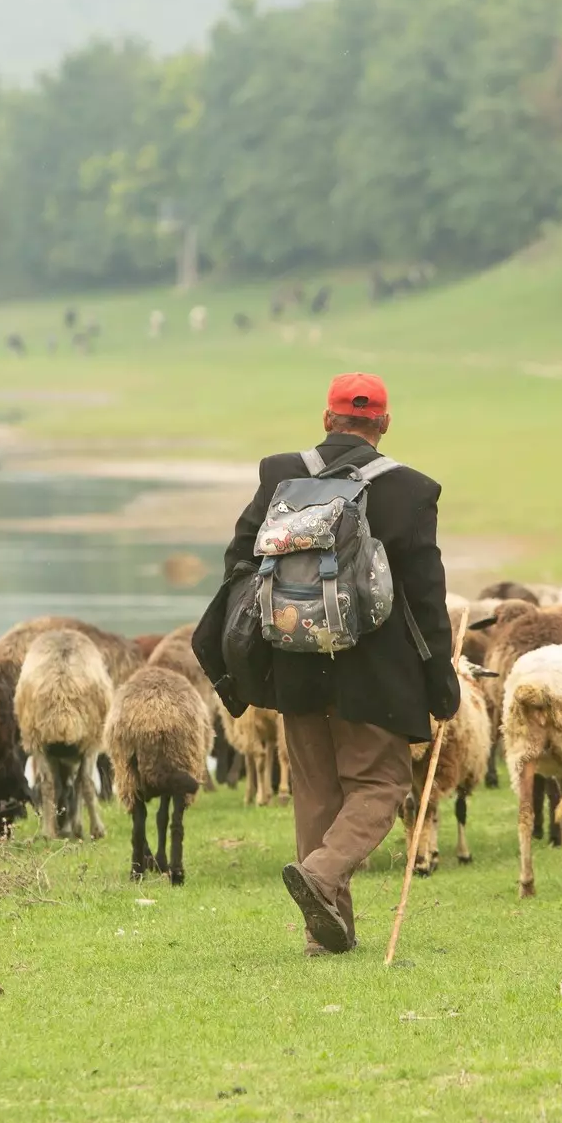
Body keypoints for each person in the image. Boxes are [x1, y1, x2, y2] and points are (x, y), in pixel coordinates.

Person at [197, 372, 459, 955]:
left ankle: (328, 934)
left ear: (327, 419)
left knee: (317, 793)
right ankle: (320, 876)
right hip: (377, 673)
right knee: (381, 784)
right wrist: (442, 687)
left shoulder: (278, 475)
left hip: (294, 660)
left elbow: (240, 561)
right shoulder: (412, 491)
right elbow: (427, 599)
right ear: (384, 425)